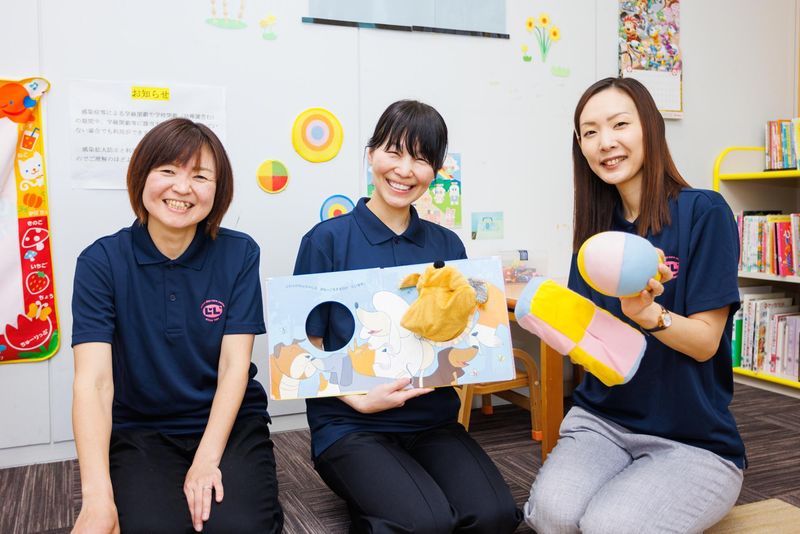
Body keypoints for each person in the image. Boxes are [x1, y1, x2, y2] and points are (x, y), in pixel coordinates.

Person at [524, 77, 745, 533]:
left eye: (619, 124)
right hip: (601, 422)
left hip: (693, 440)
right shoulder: (595, 231)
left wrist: (649, 316)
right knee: (552, 517)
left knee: (609, 526)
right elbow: (590, 339)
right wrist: (553, 318)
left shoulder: (704, 212)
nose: (605, 142)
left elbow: (706, 343)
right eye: (589, 132)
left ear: (650, 127)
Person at [293, 100, 522, 533]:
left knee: (494, 517)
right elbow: (305, 346)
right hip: (351, 424)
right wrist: (358, 400)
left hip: (431, 421)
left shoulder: (447, 245)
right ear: (371, 155)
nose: (404, 170)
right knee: (426, 523)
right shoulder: (326, 241)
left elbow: (462, 337)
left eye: (420, 158)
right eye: (393, 152)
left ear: (435, 171)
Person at [71, 118, 283, 533]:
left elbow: (234, 367)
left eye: (200, 176)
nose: (182, 188)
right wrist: (96, 499)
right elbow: (93, 383)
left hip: (229, 422)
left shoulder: (239, 254)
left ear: (218, 190)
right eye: (167, 170)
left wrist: (206, 460)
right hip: (141, 429)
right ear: (141, 176)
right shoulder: (100, 262)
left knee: (240, 528)